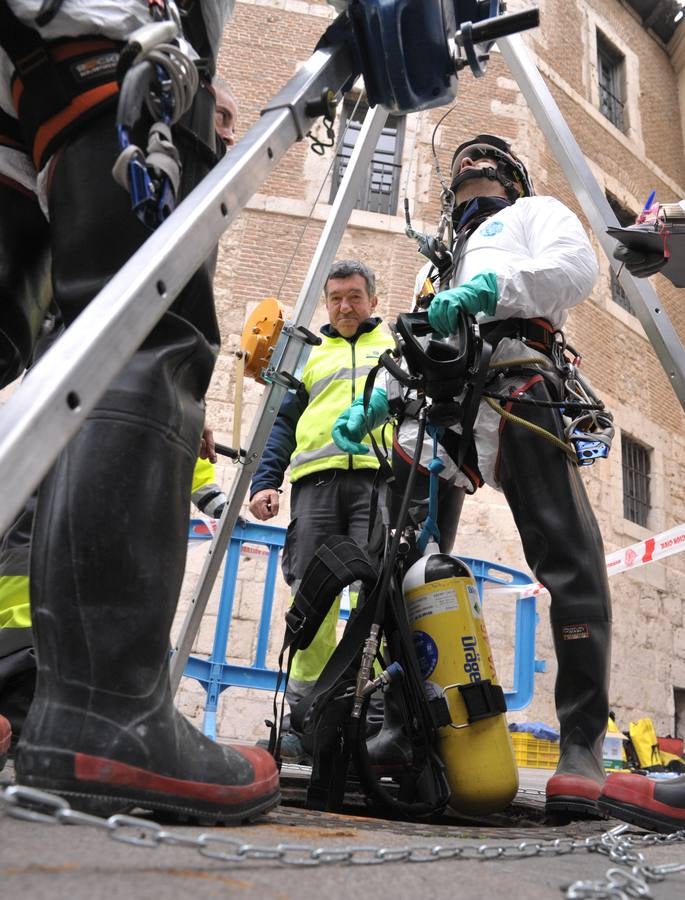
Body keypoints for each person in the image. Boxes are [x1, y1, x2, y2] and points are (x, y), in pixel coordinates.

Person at [0, 1, 279, 822]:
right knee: (142, 330)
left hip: (26, 67)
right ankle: (104, 715)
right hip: (117, 38)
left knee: (52, 347)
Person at [334, 134, 613, 821]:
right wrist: (382, 399)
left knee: (568, 561)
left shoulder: (531, 216)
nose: (472, 166)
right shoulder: (441, 260)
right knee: (400, 567)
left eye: (485, 159)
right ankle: (404, 723)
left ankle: (579, 745)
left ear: (511, 178)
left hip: (519, 378)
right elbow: (421, 342)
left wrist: (493, 288)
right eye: (463, 162)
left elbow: (576, 268)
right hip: (441, 412)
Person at [249, 259, 393, 760]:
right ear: (325, 303)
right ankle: (303, 721)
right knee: (312, 602)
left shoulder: (392, 348)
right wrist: (265, 483)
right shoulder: (308, 354)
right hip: (316, 487)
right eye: (335, 298)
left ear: (373, 300)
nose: (344, 306)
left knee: (376, 601)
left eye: (354, 296)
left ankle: (372, 720)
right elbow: (282, 426)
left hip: (377, 484)